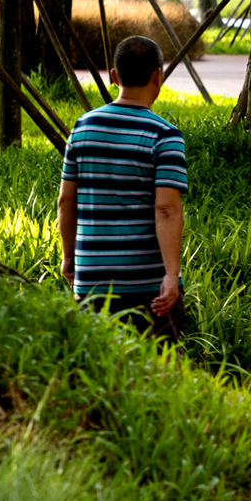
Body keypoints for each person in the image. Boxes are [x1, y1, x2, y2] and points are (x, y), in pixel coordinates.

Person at [59, 35, 190, 341]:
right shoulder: (165, 136)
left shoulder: (82, 127)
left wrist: (69, 257)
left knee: (98, 373)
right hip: (148, 285)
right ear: (158, 76)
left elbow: (66, 201)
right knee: (157, 371)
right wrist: (171, 275)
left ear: (114, 77)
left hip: (92, 281)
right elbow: (167, 209)